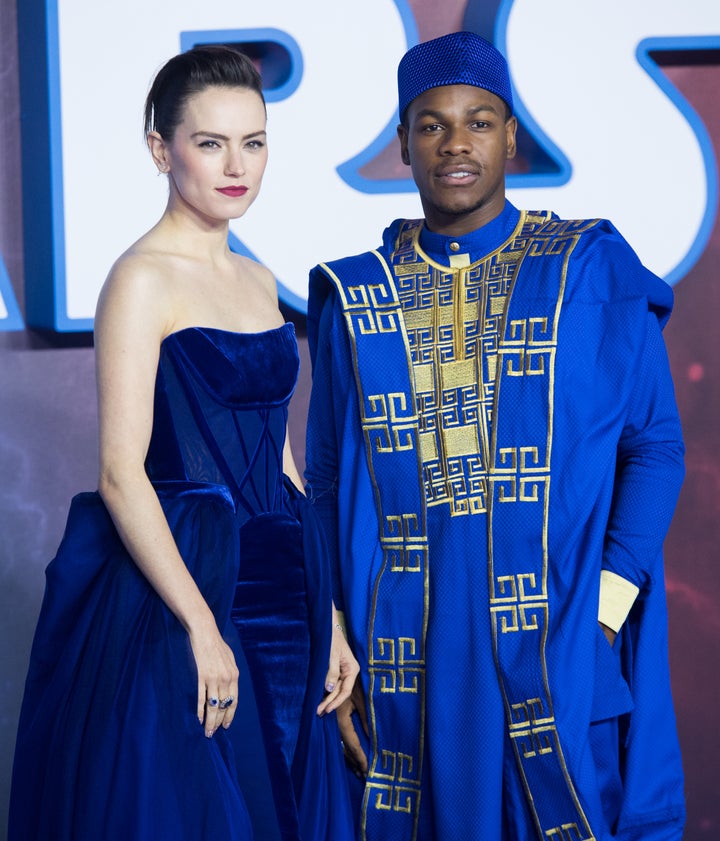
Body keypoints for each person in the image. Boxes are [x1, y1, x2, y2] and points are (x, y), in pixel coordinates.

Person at [305, 30, 686, 841]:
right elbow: (330, 471)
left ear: (511, 136)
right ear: (403, 141)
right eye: (432, 123)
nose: (455, 143)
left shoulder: (587, 269)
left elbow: (655, 445)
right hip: (408, 645)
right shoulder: (356, 297)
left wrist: (606, 607)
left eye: (479, 121)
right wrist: (334, 635)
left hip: (556, 635)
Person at [8, 45, 357, 841]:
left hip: (286, 585)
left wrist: (330, 609)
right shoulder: (140, 280)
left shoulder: (258, 278)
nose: (237, 166)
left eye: (254, 142)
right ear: (161, 150)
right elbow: (121, 473)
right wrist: (200, 625)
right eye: (210, 143)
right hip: (192, 585)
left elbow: (283, 460)